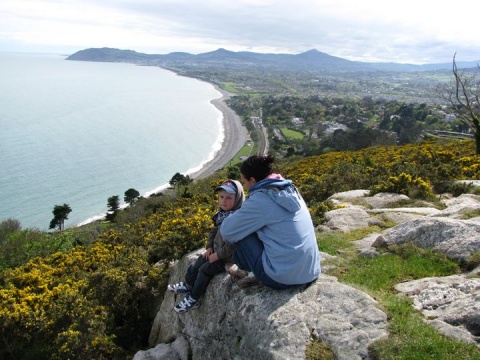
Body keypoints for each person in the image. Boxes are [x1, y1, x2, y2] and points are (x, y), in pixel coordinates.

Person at [220, 154, 321, 290]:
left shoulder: (261, 199)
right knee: (254, 226)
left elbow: (227, 230)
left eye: (244, 182)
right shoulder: (288, 189)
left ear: (253, 180)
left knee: (240, 231)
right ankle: (253, 269)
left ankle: (248, 271)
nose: (244, 186)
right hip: (310, 271)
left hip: (281, 279)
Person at [167, 179, 245, 313]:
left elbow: (234, 245)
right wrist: (209, 247)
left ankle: (193, 298)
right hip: (216, 252)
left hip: (228, 258)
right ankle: (187, 284)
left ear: (237, 199)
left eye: (228, 198)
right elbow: (213, 231)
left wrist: (218, 255)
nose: (223, 201)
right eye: (221, 197)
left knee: (205, 270)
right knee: (196, 264)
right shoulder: (222, 214)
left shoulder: (238, 218)